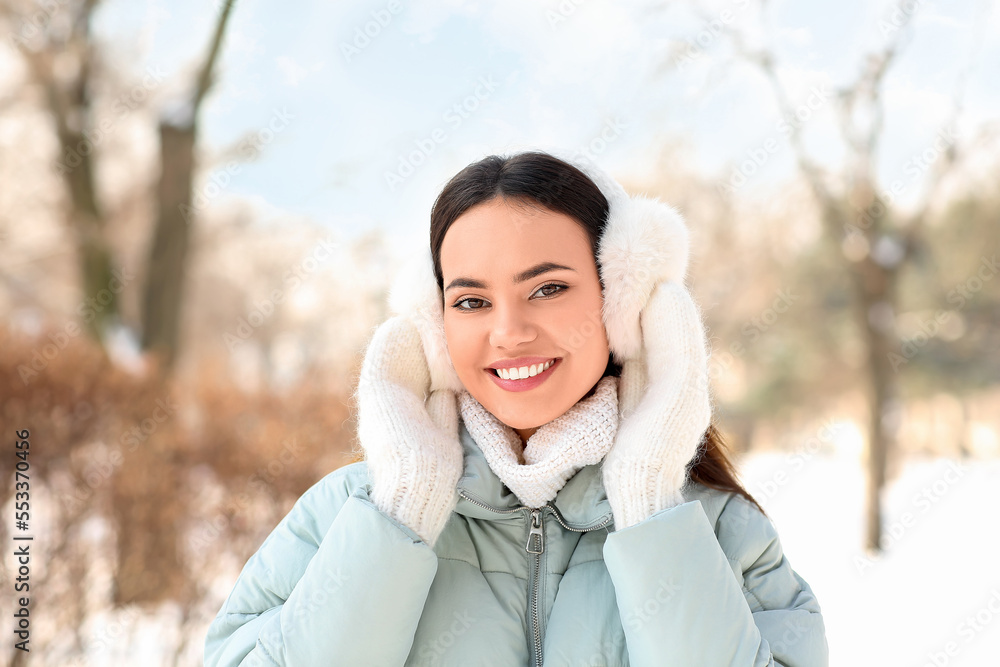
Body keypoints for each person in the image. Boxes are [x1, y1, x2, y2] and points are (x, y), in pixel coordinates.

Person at [203, 149, 829, 666]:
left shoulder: (717, 531)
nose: (509, 331)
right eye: (471, 301)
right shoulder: (348, 515)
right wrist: (404, 509)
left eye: (548, 288)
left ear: (622, 303)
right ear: (433, 324)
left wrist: (646, 502)